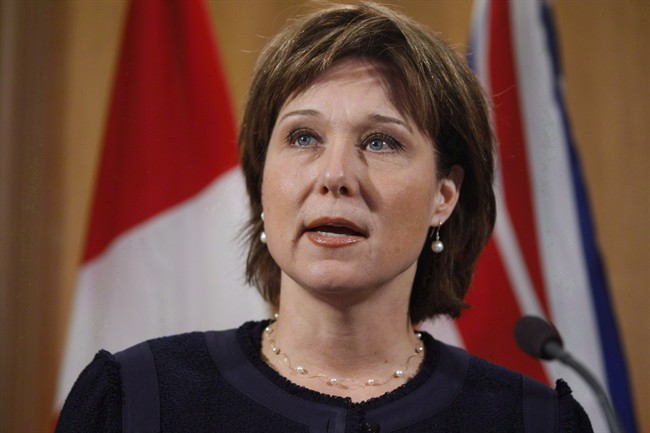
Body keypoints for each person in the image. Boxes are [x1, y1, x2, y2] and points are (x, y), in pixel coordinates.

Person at [56, 3, 593, 432]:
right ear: (262, 183)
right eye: (303, 137)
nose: (335, 175)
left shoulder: (533, 421)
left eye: (380, 142)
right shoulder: (135, 400)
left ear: (444, 196)